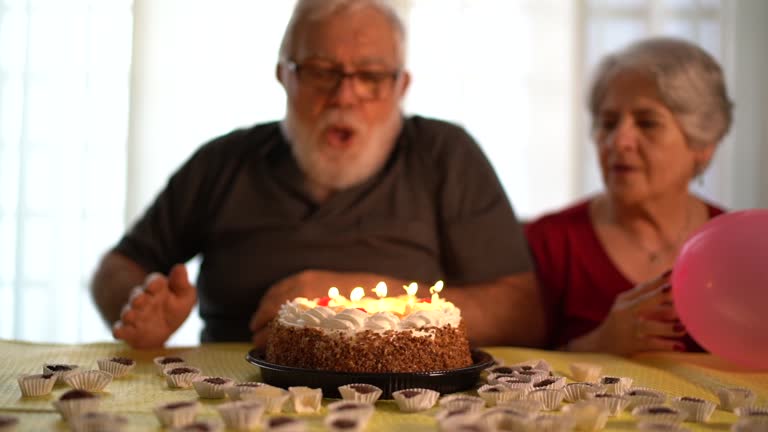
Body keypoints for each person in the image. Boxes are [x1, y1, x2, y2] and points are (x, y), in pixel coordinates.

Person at [91, 0, 546, 350]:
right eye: (321, 72)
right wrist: (138, 308)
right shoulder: (225, 161)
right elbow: (118, 267)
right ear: (283, 76)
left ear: (401, 86)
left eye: (370, 76)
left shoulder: (445, 155)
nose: (344, 96)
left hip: (402, 398)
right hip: (234, 398)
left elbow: (520, 313)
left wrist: (360, 299)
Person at [525, 37, 732, 356]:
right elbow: (508, 373)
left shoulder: (734, 246)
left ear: (703, 144)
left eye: (648, 123)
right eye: (607, 123)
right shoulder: (550, 242)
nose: (618, 141)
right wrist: (600, 344)